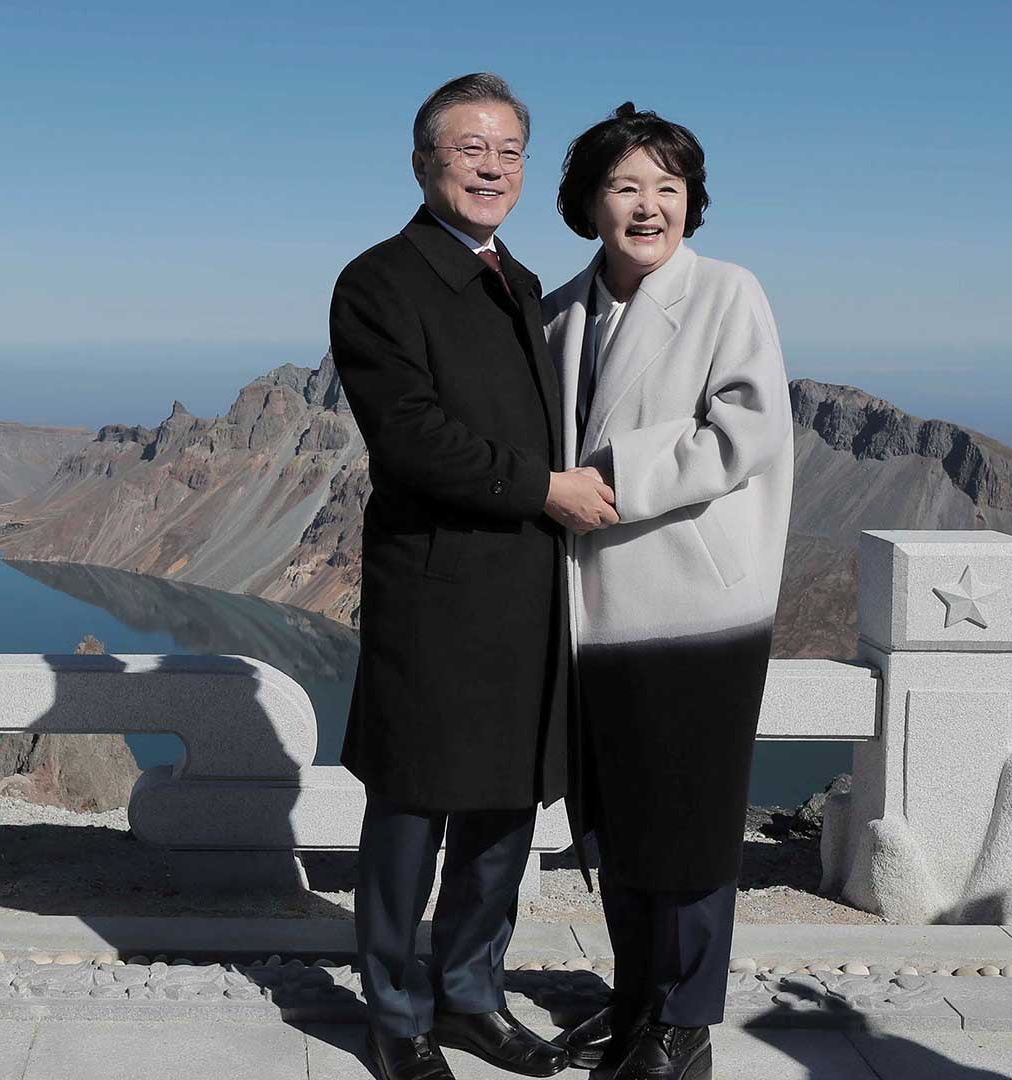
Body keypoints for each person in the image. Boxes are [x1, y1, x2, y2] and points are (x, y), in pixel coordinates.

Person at [331, 73, 618, 1080]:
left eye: (509, 152)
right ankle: (396, 1016)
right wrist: (544, 489)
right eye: (470, 149)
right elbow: (410, 440)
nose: (493, 167)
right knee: (413, 807)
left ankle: (470, 996)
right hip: (437, 585)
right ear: (425, 165)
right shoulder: (379, 282)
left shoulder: (526, 282)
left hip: (529, 591)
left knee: (504, 809)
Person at [540, 104, 794, 1079]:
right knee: (613, 814)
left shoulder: (729, 293)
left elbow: (747, 431)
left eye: (668, 188)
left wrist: (610, 478)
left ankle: (685, 1022)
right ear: (588, 202)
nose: (649, 206)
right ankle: (635, 996)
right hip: (593, 607)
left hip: (694, 601)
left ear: (691, 202)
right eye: (625, 186)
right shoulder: (561, 309)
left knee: (686, 814)